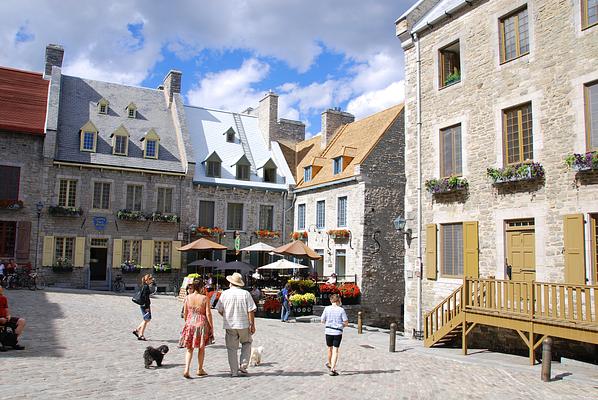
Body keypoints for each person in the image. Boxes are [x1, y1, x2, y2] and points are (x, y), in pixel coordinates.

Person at [216, 272, 256, 377]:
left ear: (230, 283)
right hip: (243, 324)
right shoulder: (245, 294)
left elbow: (219, 309)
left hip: (230, 325)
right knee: (246, 343)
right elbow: (251, 310)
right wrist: (252, 324)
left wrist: (226, 316)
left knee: (232, 348)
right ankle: (243, 365)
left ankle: (234, 372)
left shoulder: (224, 294)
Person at [180, 279, 213, 379]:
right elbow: (208, 313)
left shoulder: (188, 297)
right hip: (201, 323)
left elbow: (185, 312)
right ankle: (199, 369)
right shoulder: (204, 298)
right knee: (201, 348)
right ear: (202, 288)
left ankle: (186, 369)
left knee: (189, 348)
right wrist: (211, 326)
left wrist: (187, 322)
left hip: (190, 323)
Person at [320, 293, 348, 376]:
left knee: (329, 349)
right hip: (337, 332)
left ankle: (329, 363)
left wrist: (328, 323)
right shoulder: (341, 310)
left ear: (331, 300)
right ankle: (332, 369)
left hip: (328, 331)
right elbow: (346, 322)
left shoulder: (327, 308)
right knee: (335, 350)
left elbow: (322, 320)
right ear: (338, 300)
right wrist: (341, 325)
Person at [0, 286, 26, 350]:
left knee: (22, 321)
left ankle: (13, 341)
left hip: (4, 318)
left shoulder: (3, 298)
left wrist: (8, 315)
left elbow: (6, 309)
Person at [133, 274, 153, 341]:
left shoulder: (144, 286)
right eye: (150, 279)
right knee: (146, 319)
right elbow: (146, 298)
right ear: (147, 280)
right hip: (145, 305)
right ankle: (141, 335)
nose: (152, 280)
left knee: (147, 319)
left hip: (143, 305)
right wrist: (147, 307)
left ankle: (137, 330)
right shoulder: (146, 287)